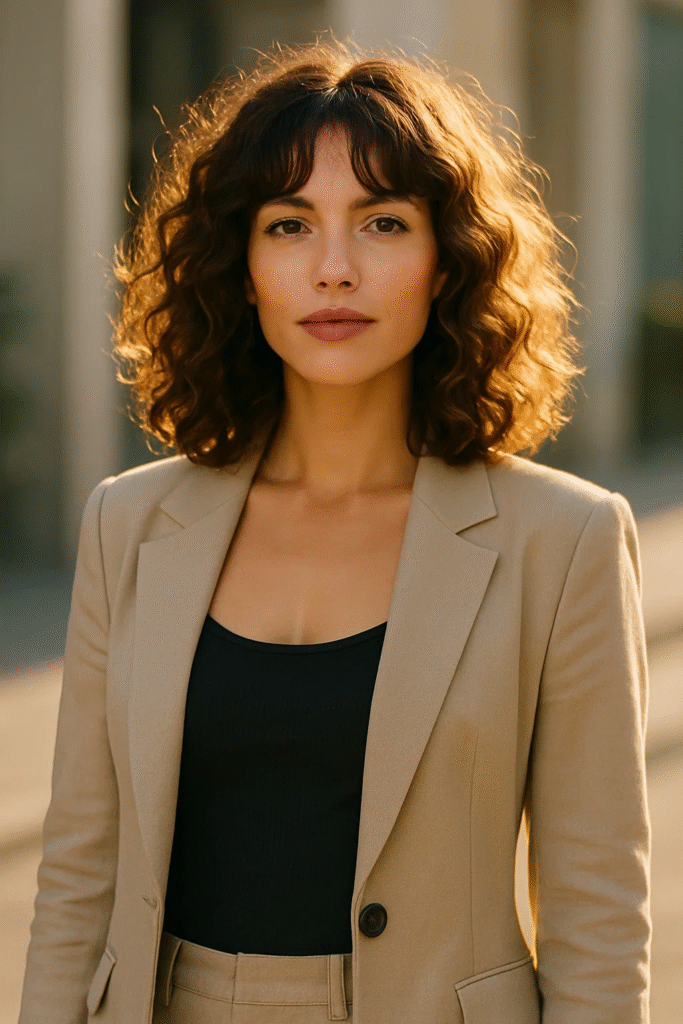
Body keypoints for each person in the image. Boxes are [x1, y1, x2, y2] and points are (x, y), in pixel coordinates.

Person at [19, 31, 651, 1024]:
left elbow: (596, 919)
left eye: (383, 222)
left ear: (447, 260)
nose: (334, 269)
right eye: (288, 226)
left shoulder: (560, 541)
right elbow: (76, 886)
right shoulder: (129, 523)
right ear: (240, 262)